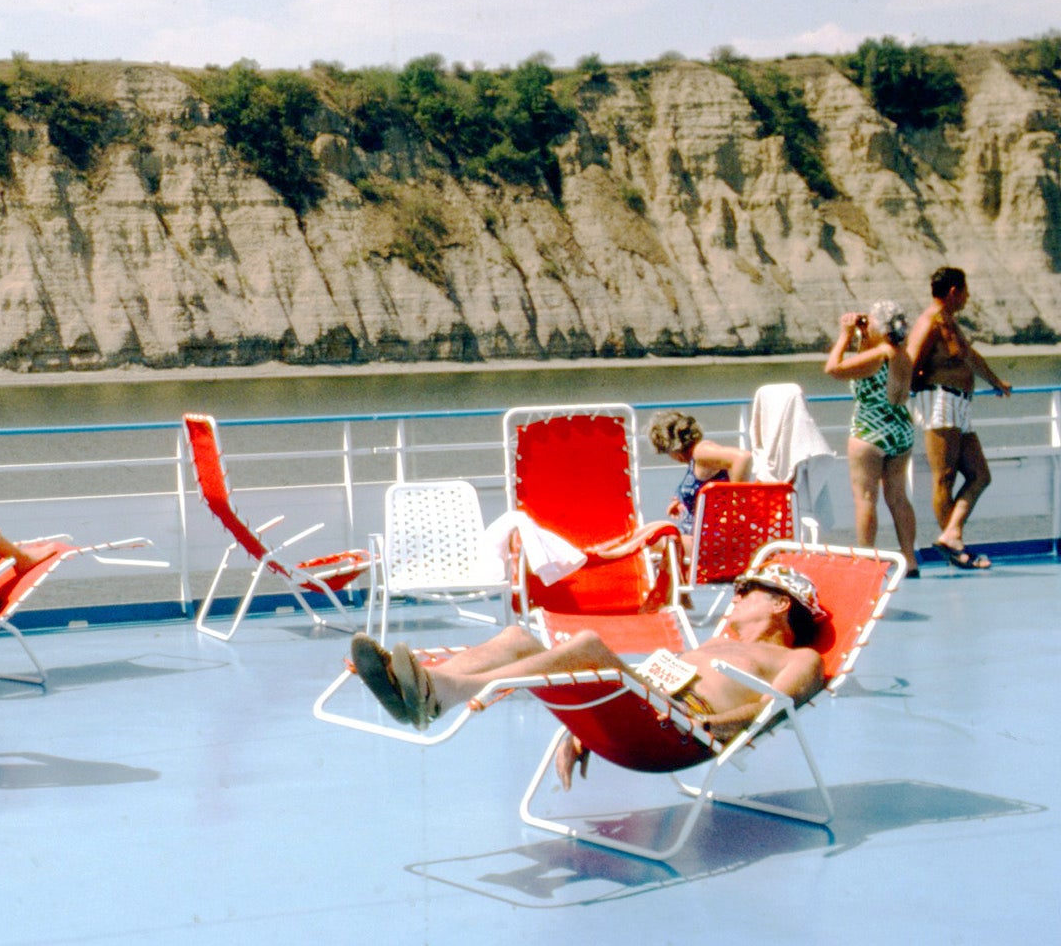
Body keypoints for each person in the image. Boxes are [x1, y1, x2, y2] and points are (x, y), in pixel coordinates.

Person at [347, 562, 828, 786]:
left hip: (682, 729)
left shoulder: (798, 659)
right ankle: (417, 689)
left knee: (588, 647)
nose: (736, 597)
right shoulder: (716, 643)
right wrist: (583, 728)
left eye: (748, 592)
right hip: (644, 711)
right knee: (517, 637)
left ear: (781, 604)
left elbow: (771, 709)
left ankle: (438, 694)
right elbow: (653, 679)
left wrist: (713, 728)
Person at [907, 266, 1011, 570]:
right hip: (940, 399)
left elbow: (970, 357)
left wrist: (995, 381)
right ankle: (956, 548)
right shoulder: (929, 322)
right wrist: (916, 390)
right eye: (965, 290)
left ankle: (951, 534)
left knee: (980, 475)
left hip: (960, 403)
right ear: (954, 291)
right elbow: (912, 361)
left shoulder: (949, 321)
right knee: (945, 476)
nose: (967, 297)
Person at [825, 301, 921, 577]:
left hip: (870, 428)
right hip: (900, 428)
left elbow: (834, 368)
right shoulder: (901, 353)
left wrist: (844, 335)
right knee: (898, 496)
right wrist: (864, 336)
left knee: (866, 498)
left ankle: (866, 560)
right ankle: (910, 559)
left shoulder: (879, 354)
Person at [645, 410, 753, 538]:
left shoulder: (700, 452)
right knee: (650, 534)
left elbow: (742, 458)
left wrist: (735, 509)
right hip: (700, 536)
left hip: (709, 540)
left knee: (647, 540)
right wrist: (683, 501)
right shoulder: (697, 459)